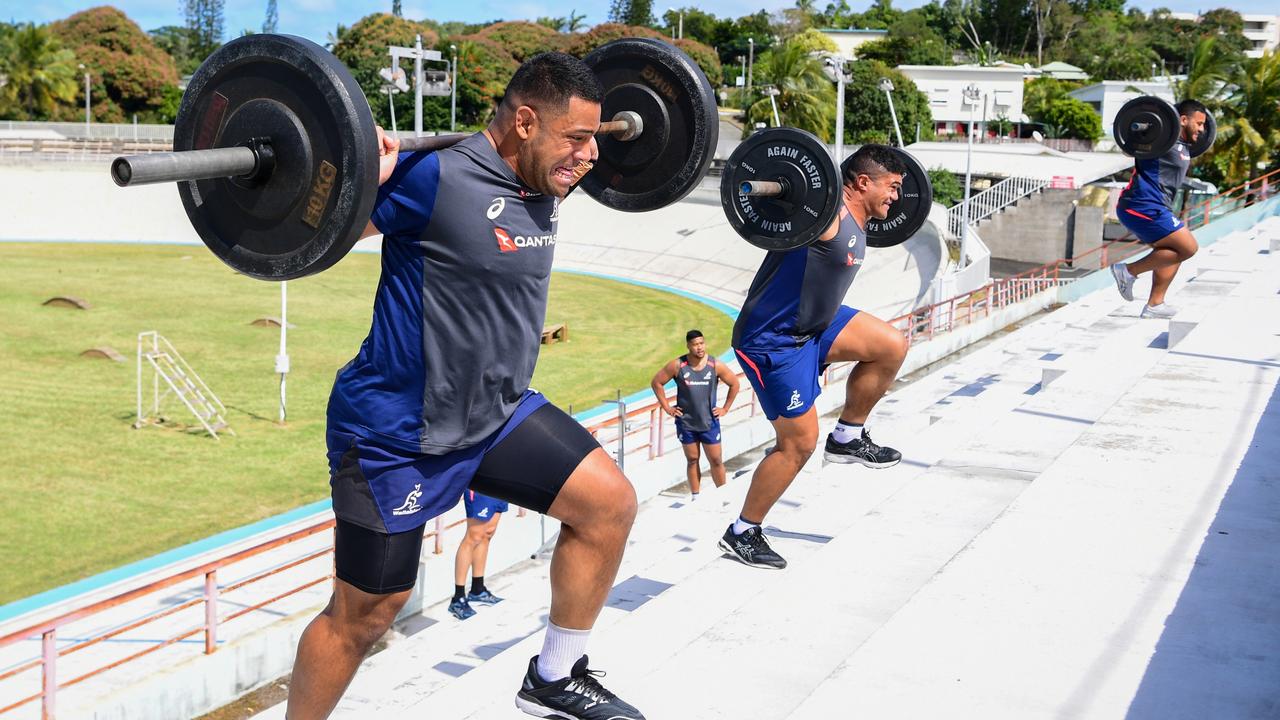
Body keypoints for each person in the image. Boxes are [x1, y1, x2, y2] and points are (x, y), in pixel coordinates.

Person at [286, 52, 644, 720]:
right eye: (577, 139)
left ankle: (554, 675)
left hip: (494, 415)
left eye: (597, 137)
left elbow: (599, 158)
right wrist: (357, 176)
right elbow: (304, 241)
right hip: (399, 431)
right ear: (525, 121)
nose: (591, 155)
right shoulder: (435, 176)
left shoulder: (547, 176)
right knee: (365, 616)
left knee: (609, 505)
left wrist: (580, 148)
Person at [722, 145, 910, 570]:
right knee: (798, 443)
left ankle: (847, 437)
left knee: (891, 346)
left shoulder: (861, 219)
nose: (898, 198)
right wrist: (771, 186)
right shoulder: (827, 216)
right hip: (773, 339)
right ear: (862, 183)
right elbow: (791, 195)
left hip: (816, 324)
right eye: (893, 188)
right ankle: (743, 532)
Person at [1110, 99, 1210, 318]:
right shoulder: (1161, 139)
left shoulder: (1184, 147)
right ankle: (1127, 271)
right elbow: (1134, 143)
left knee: (1174, 253)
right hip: (1141, 205)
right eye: (1199, 123)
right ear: (1183, 120)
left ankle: (1155, 305)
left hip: (1157, 207)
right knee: (1189, 247)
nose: (1203, 130)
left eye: (1204, 125)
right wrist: (1142, 127)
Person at [649, 329, 741, 500]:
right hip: (686, 423)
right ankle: (695, 497)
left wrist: (725, 408)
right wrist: (667, 407)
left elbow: (734, 384)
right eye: (695, 345)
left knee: (716, 461)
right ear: (688, 346)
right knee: (692, 460)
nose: (699, 348)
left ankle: (724, 495)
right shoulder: (678, 365)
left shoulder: (715, 365)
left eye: (701, 343)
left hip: (709, 422)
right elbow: (657, 382)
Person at [447, 490, 508, 621]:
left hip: (502, 480)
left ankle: (477, 589)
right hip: (482, 482)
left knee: (488, 533)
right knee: (473, 536)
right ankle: (458, 598)